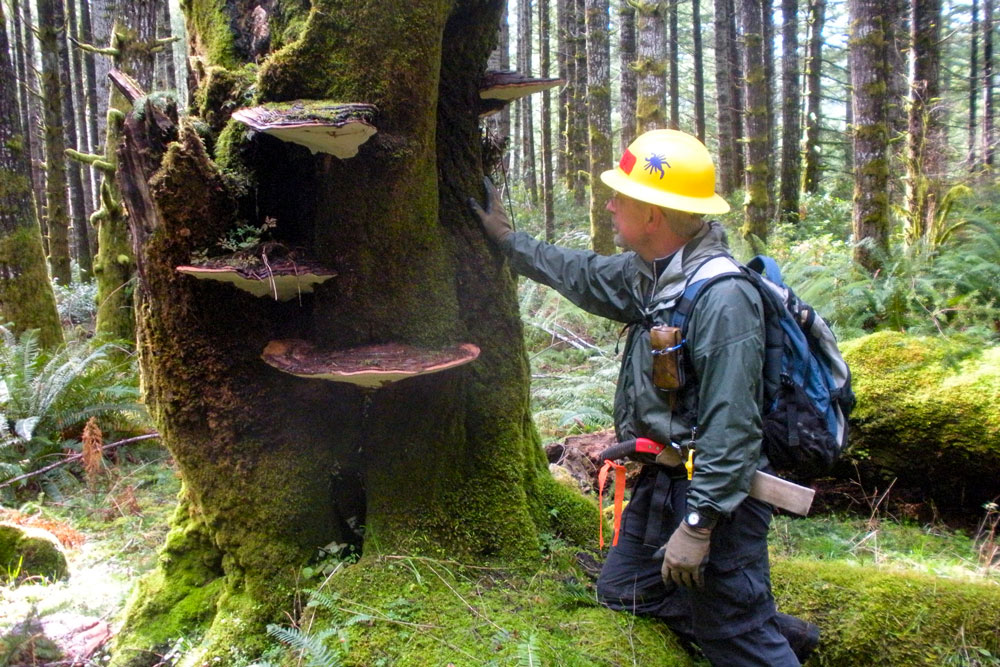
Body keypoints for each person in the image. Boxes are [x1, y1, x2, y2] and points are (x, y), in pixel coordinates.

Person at [469, 129, 820, 666]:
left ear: (653, 213)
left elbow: (733, 428)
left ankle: (752, 630)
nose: (610, 205)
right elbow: (584, 275)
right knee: (626, 589)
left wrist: (699, 527)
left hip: (718, 495)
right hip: (665, 478)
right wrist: (509, 242)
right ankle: (761, 623)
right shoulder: (654, 275)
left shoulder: (723, 298)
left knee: (736, 637)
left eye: (621, 197)